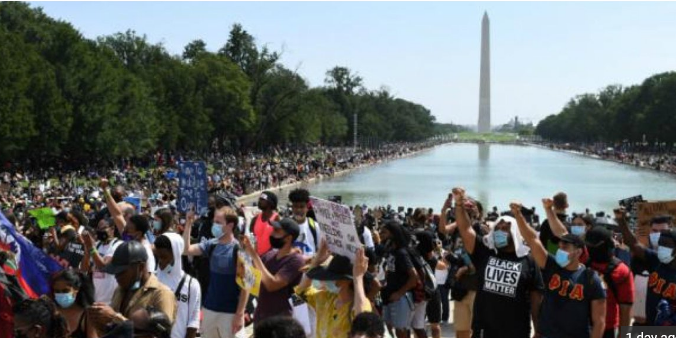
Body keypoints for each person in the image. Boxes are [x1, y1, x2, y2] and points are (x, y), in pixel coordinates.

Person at [452, 188, 543, 338]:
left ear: (514, 233)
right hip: (484, 329)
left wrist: (538, 330)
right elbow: (466, 229)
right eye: (498, 228)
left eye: (505, 228)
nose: (500, 231)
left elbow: (535, 299)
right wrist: (459, 204)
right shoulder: (485, 252)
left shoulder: (528, 261)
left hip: (516, 331)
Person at [512, 202, 606, 338]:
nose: (560, 250)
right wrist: (518, 214)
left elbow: (599, 322)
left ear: (578, 252)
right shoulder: (551, 265)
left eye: (565, 247)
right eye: (560, 246)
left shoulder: (590, 279)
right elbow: (532, 239)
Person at [182, 206, 250, 338]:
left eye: (218, 222)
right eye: (214, 221)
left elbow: (246, 286)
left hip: (231, 313)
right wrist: (189, 223)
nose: (214, 225)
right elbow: (186, 250)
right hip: (209, 309)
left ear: (230, 225)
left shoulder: (240, 250)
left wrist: (240, 314)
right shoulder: (211, 244)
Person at [87, 241, 176, 336]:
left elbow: (161, 335)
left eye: (122, 272)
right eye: (115, 272)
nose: (117, 277)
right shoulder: (120, 289)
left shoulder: (162, 294)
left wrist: (115, 318)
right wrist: (99, 322)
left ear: (141, 267)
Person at [295, 239, 370, 338]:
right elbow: (302, 291)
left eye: (332, 278)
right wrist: (316, 261)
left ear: (346, 281)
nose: (326, 281)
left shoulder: (357, 304)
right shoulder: (326, 298)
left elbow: (362, 322)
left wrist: (358, 277)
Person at [240, 218, 305, 324]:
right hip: (261, 317)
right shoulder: (270, 254)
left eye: (277, 231)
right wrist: (246, 253)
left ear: (288, 238)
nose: (272, 233)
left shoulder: (296, 260)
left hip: (281, 321)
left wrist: (254, 255)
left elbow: (272, 285)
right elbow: (253, 278)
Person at [617, 210, 676, 326]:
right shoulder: (654, 259)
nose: (659, 236)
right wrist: (620, 220)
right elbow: (632, 243)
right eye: (655, 231)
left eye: (663, 232)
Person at [584, 226, 634, 338]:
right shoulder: (583, 261)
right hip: (579, 327)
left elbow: (625, 310)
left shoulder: (621, 271)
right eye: (588, 245)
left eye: (594, 246)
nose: (590, 249)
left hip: (607, 329)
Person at [155, 233, 201, 338]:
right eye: (158, 257)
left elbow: (193, 320)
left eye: (164, 257)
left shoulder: (191, 284)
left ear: (176, 254)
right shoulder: (152, 279)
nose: (160, 262)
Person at [379, 221, 419, 338]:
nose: (380, 234)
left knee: (401, 332)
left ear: (393, 234)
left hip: (401, 299)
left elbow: (414, 277)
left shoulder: (402, 253)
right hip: (389, 297)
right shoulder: (391, 251)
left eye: (384, 232)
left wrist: (399, 293)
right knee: (388, 329)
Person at [84, 218, 122, 304]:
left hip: (111, 300)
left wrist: (91, 248)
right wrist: (87, 248)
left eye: (103, 228)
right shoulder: (97, 245)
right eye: (98, 229)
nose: (100, 231)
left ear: (112, 229)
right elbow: (84, 268)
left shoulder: (118, 245)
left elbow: (103, 266)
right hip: (95, 298)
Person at [50, 269, 94, 338]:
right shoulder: (51, 313)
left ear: (76, 289)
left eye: (65, 291)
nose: (61, 294)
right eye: (57, 291)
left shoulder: (87, 316)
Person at [288, 188, 321, 260]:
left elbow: (320, 250)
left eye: (302, 206)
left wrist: (311, 258)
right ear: (292, 208)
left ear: (307, 208)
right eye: (296, 206)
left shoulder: (315, 226)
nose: (298, 210)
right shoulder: (285, 226)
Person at [249, 191, 280, 255]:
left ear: (270, 202)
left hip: (271, 258)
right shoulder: (255, 219)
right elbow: (252, 237)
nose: (259, 201)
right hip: (257, 257)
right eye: (259, 199)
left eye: (262, 199)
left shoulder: (276, 218)